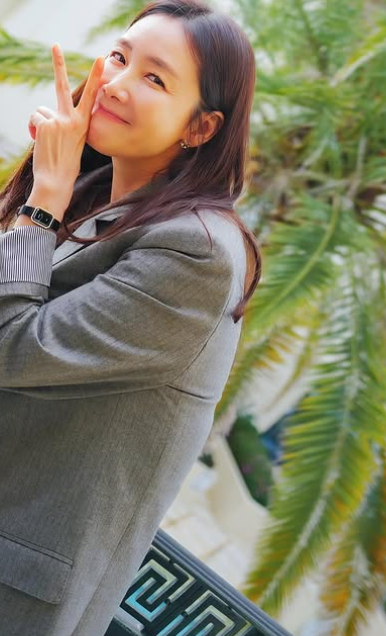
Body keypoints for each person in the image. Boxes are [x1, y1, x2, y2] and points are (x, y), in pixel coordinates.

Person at [0, 0, 262, 633]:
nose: (115, 82)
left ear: (200, 127)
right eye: (119, 56)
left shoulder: (198, 253)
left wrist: (41, 203)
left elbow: (11, 347)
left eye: (154, 78)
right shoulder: (95, 194)